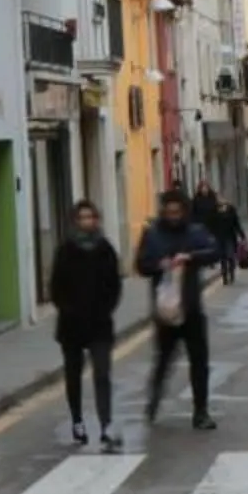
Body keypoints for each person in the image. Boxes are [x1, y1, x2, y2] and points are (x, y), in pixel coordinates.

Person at [137, 190, 221, 431]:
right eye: (169, 211)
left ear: (184, 211)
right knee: (163, 361)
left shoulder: (195, 232)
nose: (173, 216)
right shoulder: (152, 235)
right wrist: (158, 264)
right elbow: (141, 264)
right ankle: (153, 400)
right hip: (166, 312)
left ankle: (201, 412)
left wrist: (190, 257)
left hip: (192, 309)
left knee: (200, 362)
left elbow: (214, 251)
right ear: (163, 211)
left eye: (177, 211)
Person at [48, 200, 124, 452]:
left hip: (100, 323)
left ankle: (106, 425)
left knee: (102, 375)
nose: (87, 222)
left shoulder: (106, 250)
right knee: (73, 375)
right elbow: (55, 287)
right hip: (71, 325)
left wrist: (105, 309)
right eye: (82, 218)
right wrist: (68, 309)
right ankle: (78, 421)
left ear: (96, 220)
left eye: (91, 217)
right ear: (75, 221)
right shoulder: (65, 250)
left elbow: (115, 284)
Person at [206, 187, 247, 285]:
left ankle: (232, 273)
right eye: (219, 198)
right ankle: (225, 277)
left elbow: (236, 223)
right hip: (219, 237)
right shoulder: (213, 210)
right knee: (222, 258)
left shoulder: (231, 209)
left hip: (230, 236)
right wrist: (210, 236)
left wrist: (242, 236)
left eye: (222, 197)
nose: (221, 199)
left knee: (230, 256)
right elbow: (210, 224)